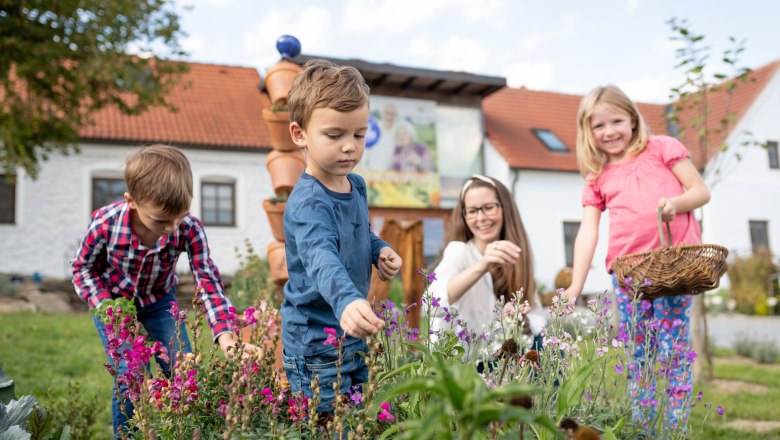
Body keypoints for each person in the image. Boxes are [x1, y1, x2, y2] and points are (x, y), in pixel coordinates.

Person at [71, 144, 257, 438]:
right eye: (161, 220)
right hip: (114, 306)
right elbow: (82, 269)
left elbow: (208, 282)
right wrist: (108, 308)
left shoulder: (189, 228)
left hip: (159, 303)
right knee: (131, 374)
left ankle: (181, 432)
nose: (172, 227)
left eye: (180, 216)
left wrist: (227, 337)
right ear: (131, 201)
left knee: (183, 367)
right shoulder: (106, 224)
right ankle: (128, 435)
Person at [563, 85, 710, 429]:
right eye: (598, 126)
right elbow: (588, 231)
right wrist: (575, 285)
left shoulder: (662, 148)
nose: (609, 131)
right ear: (587, 131)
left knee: (674, 353)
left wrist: (676, 204)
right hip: (628, 276)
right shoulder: (598, 174)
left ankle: (675, 430)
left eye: (616, 120)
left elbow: (700, 191)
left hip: (673, 268)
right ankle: (643, 430)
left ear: (632, 118)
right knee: (638, 355)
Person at [281, 59, 402, 413]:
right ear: (299, 134)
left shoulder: (356, 186)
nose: (350, 146)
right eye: (335, 135)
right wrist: (349, 300)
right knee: (325, 426)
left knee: (360, 418)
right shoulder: (308, 202)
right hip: (316, 343)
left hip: (352, 330)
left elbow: (358, 232)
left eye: (359, 134)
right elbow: (322, 257)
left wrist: (378, 249)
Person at [428, 175, 545, 356]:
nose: (481, 218)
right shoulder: (459, 252)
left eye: (489, 208)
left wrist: (521, 320)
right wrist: (483, 265)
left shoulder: (515, 259)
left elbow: (538, 317)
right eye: (472, 211)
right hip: (457, 364)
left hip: (493, 363)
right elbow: (431, 304)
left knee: (543, 347)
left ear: (505, 209)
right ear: (464, 216)